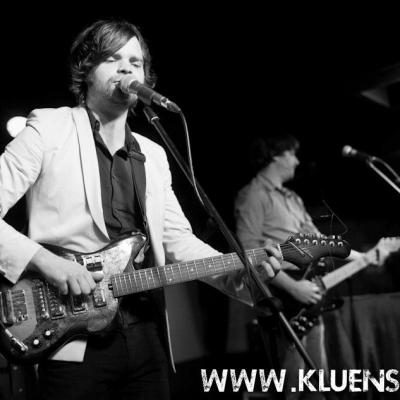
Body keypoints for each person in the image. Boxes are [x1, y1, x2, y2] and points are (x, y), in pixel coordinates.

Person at [0, 20, 282, 400]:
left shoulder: (153, 153)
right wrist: (48, 262)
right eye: (112, 58)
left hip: (147, 337)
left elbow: (178, 241)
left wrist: (241, 272)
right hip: (71, 338)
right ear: (86, 69)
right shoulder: (49, 129)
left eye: (135, 62)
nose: (127, 68)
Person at [234, 134, 362, 399]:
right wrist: (294, 288)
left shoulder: (293, 198)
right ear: (276, 156)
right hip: (283, 296)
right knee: (292, 385)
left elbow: (322, 242)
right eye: (292, 154)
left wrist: (364, 256)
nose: (297, 161)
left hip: (308, 295)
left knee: (317, 381)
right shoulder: (253, 195)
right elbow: (249, 253)